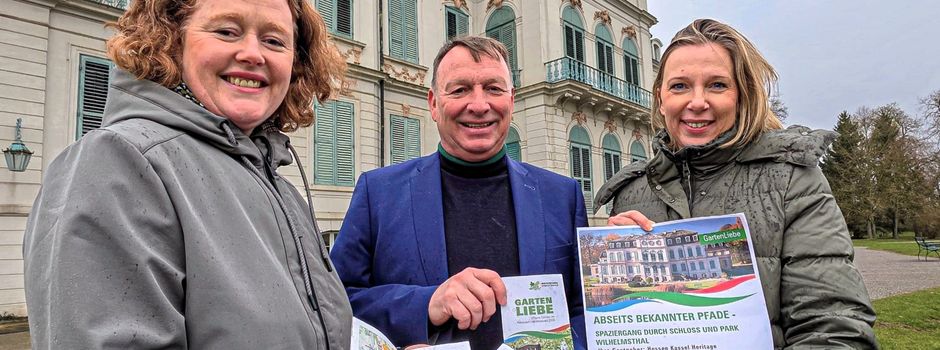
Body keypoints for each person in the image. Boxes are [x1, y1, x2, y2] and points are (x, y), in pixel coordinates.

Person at [23, 0, 352, 348]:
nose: (254, 54)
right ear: (169, 39)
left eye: (274, 41)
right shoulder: (118, 162)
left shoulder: (280, 187)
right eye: (227, 31)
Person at [595, 19, 877, 349]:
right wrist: (609, 255)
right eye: (680, 86)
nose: (697, 102)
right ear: (660, 99)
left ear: (742, 95)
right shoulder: (632, 191)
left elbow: (835, 328)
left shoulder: (791, 180)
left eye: (716, 85)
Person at [330, 36, 587, 350]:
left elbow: (584, 311)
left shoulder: (563, 196)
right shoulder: (377, 193)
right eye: (460, 89)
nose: (479, 105)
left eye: (493, 88)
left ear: (511, 99)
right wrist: (426, 304)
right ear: (434, 104)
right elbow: (335, 301)